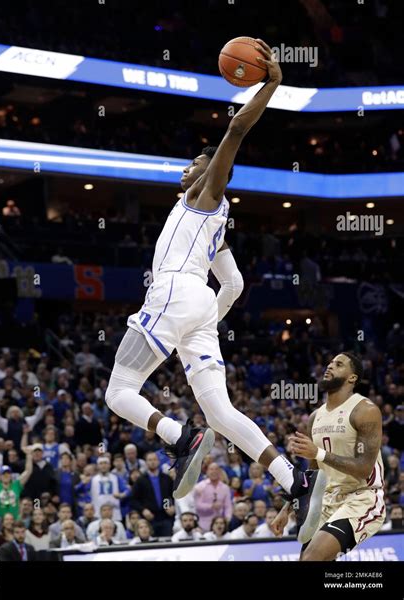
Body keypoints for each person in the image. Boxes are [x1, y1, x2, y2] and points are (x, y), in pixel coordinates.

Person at [104, 42, 316, 514]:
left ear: (208, 171)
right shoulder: (214, 229)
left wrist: (272, 82)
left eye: (193, 163)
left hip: (176, 293)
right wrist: (201, 323)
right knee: (221, 412)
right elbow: (235, 284)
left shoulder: (205, 195)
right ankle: (294, 482)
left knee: (118, 392)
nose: (186, 169)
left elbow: (237, 129)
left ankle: (180, 438)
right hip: (197, 305)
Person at [273, 353, 386, 561]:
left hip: (361, 497)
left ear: (352, 378)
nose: (330, 366)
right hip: (326, 500)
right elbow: (313, 472)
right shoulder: (316, 416)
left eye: (339, 364)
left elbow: (364, 469)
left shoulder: (365, 410)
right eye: (330, 363)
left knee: (311, 559)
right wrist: (288, 507)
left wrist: (318, 452)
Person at [129, 452, 175, 536]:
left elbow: (172, 495)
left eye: (154, 459)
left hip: (166, 517)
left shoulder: (166, 478)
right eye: (150, 460)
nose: (152, 462)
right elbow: (133, 500)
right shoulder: (140, 480)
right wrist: (143, 510)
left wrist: (171, 505)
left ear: (158, 461)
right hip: (149, 518)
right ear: (146, 463)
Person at [0, 444, 33, 521]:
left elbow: (28, 471)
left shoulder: (17, 485)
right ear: (0, 476)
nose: (6, 476)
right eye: (3, 474)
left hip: (14, 520)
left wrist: (29, 455)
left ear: (11, 475)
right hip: (0, 520)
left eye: (8, 474)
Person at [193, 462, 233, 531]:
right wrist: (211, 506)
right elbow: (197, 506)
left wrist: (227, 518)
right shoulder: (200, 487)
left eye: (216, 469)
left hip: (220, 525)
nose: (214, 471)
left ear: (220, 472)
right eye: (211, 469)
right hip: (202, 524)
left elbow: (228, 506)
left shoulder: (225, 488)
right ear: (207, 472)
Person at [90, 456, 128, 521]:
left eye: (105, 463)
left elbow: (127, 490)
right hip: (97, 513)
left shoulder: (116, 478)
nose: (103, 465)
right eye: (101, 463)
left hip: (114, 513)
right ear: (97, 466)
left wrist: (121, 495)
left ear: (109, 465)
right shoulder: (92, 479)